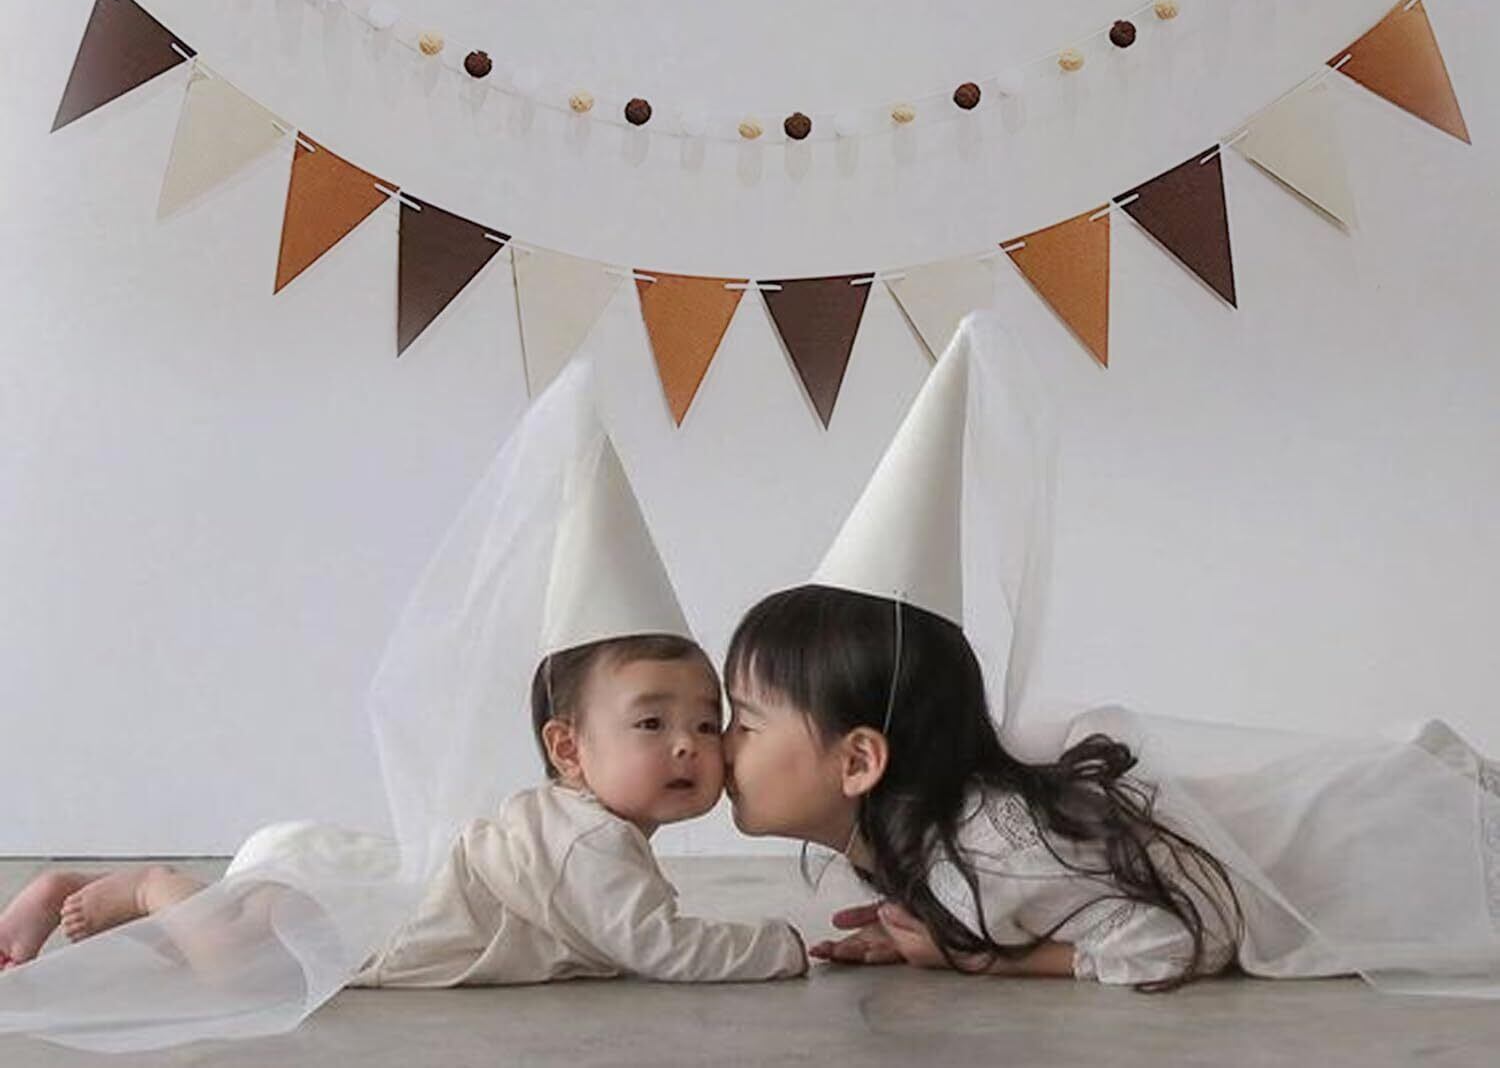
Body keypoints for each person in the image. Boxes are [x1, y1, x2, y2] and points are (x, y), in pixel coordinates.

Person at [0, 358, 803, 1053]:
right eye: (651, 723)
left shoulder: (585, 828)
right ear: (567, 748)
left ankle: (77, 890)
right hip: (361, 920)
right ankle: (148, 887)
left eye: (707, 722)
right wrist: (779, 945)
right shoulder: (590, 841)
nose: (689, 745)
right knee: (235, 972)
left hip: (353, 883)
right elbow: (660, 948)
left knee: (208, 946)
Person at [721, 312, 1500, 995]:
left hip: (1404, 849)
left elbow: (1188, 933)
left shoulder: (992, 858)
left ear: (860, 760)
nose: (719, 744)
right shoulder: (939, 846)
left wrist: (984, 957)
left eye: (745, 722)